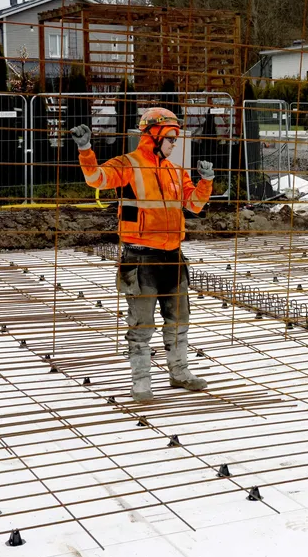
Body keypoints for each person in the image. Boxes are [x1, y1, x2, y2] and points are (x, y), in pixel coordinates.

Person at [70, 108, 216, 402]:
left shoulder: (175, 171)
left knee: (179, 320)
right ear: (155, 136)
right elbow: (96, 178)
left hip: (172, 256)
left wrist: (206, 182)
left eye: (176, 139)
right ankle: (141, 382)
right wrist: (85, 150)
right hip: (141, 258)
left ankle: (179, 372)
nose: (174, 144)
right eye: (171, 138)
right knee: (141, 325)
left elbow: (193, 205)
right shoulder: (129, 164)